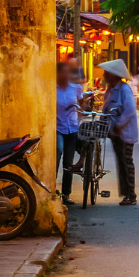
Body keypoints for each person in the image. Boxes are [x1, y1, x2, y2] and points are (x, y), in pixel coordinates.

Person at [97, 58, 139, 206]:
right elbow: (106, 109)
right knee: (121, 163)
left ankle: (131, 195)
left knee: (127, 162)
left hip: (125, 133)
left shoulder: (124, 89)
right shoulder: (110, 90)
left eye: (106, 73)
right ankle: (126, 194)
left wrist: (120, 125)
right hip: (114, 132)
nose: (104, 76)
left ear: (113, 75)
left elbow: (129, 111)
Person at [56, 61, 85, 206]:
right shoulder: (52, 89)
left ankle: (65, 194)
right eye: (64, 72)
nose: (67, 75)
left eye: (68, 72)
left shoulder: (76, 88)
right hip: (58, 127)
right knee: (58, 150)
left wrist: (80, 114)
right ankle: (51, 191)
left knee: (68, 162)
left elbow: (81, 101)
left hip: (73, 127)